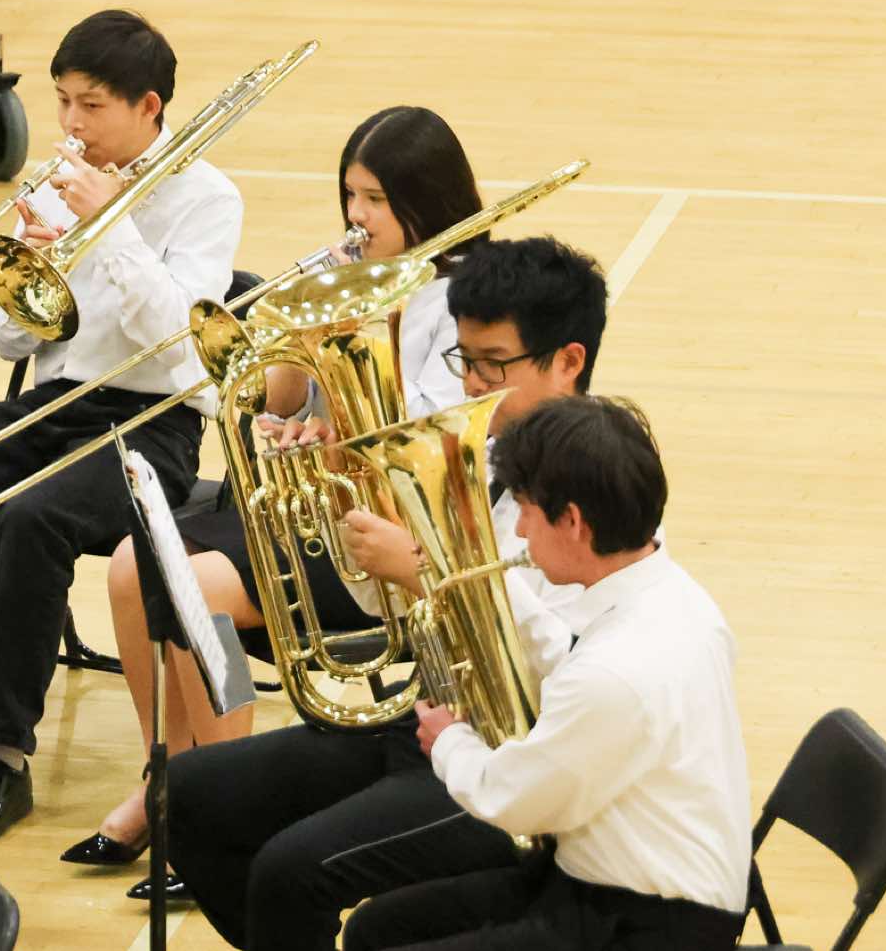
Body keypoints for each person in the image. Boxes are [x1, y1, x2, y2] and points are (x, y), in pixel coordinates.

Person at [0, 9, 243, 841]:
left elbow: (180, 347)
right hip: (52, 403)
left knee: (35, 520)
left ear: (148, 106)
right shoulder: (62, 180)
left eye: (90, 105)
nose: (70, 123)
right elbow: (9, 341)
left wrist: (109, 227)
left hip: (154, 422)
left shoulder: (208, 198)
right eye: (63, 100)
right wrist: (36, 264)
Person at [68, 106, 483, 880]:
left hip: (386, 538)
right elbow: (279, 402)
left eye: (376, 200)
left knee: (193, 592)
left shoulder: (463, 302)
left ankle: (224, 801)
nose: (357, 216)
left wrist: (341, 414)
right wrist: (301, 334)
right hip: (317, 512)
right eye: (350, 195)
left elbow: (426, 443)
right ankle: (171, 775)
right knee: (131, 565)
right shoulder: (353, 274)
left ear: (427, 199)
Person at [164, 236, 612, 951]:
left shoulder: (599, 490)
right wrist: (350, 505)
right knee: (187, 792)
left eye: (494, 363)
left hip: (510, 762)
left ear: (568, 360)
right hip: (426, 718)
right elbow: (394, 609)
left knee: (289, 871)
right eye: (465, 360)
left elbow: (561, 669)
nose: (472, 384)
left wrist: (422, 567)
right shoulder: (477, 452)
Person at [345, 396, 749, 951]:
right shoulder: (673, 593)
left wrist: (449, 741)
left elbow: (514, 801)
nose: (519, 531)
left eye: (525, 510)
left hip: (646, 924)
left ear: (573, 521)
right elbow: (564, 657)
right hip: (606, 878)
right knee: (374, 928)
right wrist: (440, 569)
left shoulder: (617, 671)